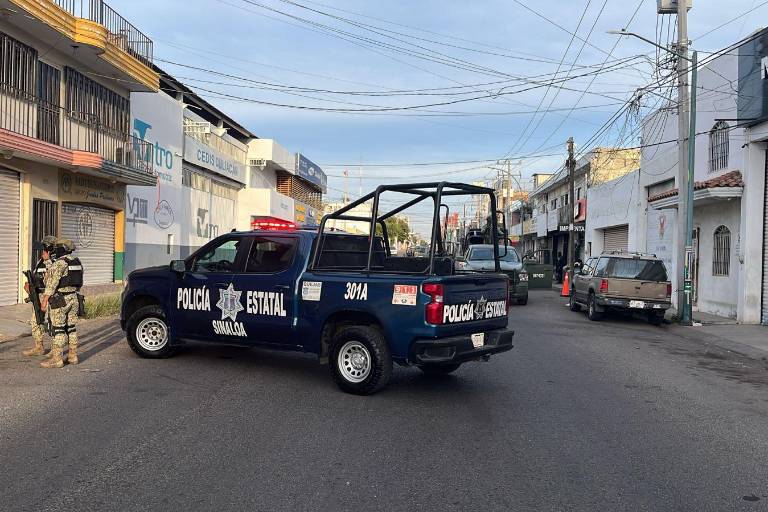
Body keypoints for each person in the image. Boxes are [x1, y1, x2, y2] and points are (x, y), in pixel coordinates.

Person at [40, 238, 83, 369]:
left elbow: (51, 283)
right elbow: (79, 282)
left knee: (59, 329)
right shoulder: (77, 262)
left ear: (61, 249)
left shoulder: (60, 263)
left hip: (60, 300)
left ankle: (57, 360)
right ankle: (73, 356)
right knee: (71, 328)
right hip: (74, 298)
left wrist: (45, 299)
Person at [21, 236, 56, 357]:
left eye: (44, 249)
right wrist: (29, 285)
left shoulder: (57, 262)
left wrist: (48, 260)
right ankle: (39, 346)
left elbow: (53, 278)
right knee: (35, 320)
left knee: (54, 322)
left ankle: (55, 349)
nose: (42, 252)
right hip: (39, 295)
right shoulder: (40, 261)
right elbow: (37, 276)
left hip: (51, 296)